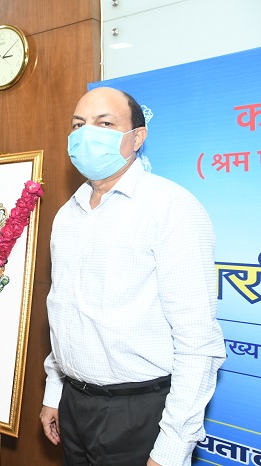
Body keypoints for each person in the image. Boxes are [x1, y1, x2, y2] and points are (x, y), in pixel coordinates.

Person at [39, 87, 226, 466]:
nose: (86, 134)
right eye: (78, 124)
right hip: (74, 406)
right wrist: (54, 392)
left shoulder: (171, 208)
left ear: (137, 137)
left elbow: (197, 341)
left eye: (104, 123)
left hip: (139, 414)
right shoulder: (67, 214)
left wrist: (172, 449)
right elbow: (65, 312)